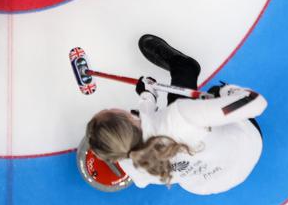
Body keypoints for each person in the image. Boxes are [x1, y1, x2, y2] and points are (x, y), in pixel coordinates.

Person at [86, 34, 267, 195]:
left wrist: (147, 96)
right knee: (205, 86)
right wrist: (226, 92)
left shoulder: (129, 162)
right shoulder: (180, 116)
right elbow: (256, 103)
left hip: (213, 184)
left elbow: (146, 127)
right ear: (128, 117)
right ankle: (185, 66)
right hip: (246, 143)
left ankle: (186, 70)